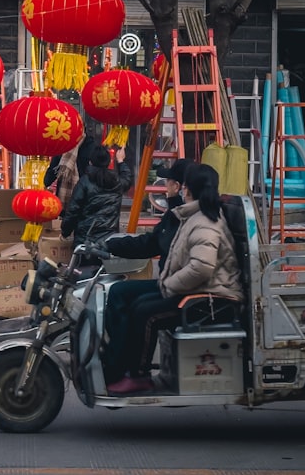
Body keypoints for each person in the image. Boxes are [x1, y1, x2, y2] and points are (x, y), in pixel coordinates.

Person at [108, 163, 244, 395]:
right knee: (133, 300)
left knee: (145, 313)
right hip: (200, 290)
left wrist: (168, 285)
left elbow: (201, 268)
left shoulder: (205, 223)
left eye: (182, 186)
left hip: (213, 299)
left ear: (187, 189)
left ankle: (139, 375)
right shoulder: (192, 215)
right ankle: (119, 366)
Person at [99, 158, 190, 383]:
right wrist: (110, 246)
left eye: (167, 182)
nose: (165, 187)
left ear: (178, 187)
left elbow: (155, 245)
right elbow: (150, 243)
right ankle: (116, 359)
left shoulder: (185, 218)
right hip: (172, 281)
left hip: (182, 288)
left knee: (141, 308)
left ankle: (133, 371)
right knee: (118, 292)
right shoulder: (174, 215)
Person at [59, 144, 134, 255]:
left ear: (90, 162)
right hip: (109, 241)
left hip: (85, 241)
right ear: (109, 162)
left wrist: (65, 232)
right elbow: (127, 179)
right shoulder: (116, 182)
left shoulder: (84, 182)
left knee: (84, 271)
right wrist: (120, 161)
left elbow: (73, 211)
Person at [44, 131, 99, 210]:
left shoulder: (62, 146)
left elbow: (49, 177)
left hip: (66, 201)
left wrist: (46, 182)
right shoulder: (92, 146)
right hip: (86, 198)